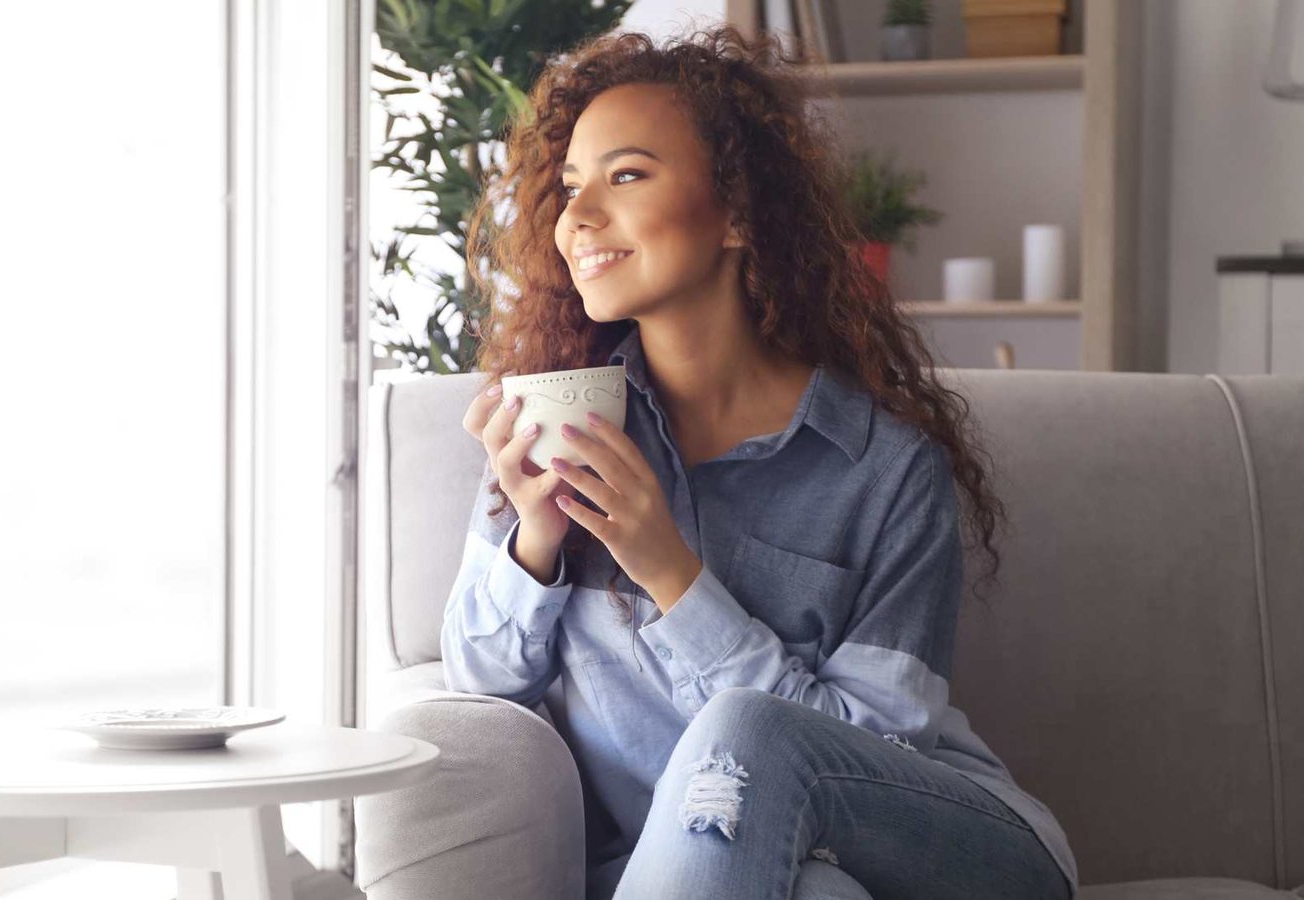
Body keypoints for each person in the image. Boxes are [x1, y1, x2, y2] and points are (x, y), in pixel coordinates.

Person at [441, 24, 1078, 900]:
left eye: (625, 176)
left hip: (953, 852)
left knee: (751, 731)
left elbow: (871, 756)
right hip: (724, 869)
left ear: (737, 209)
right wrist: (536, 541)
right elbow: (476, 687)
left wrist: (669, 573)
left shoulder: (884, 470)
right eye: (571, 186)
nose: (576, 219)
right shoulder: (561, 424)